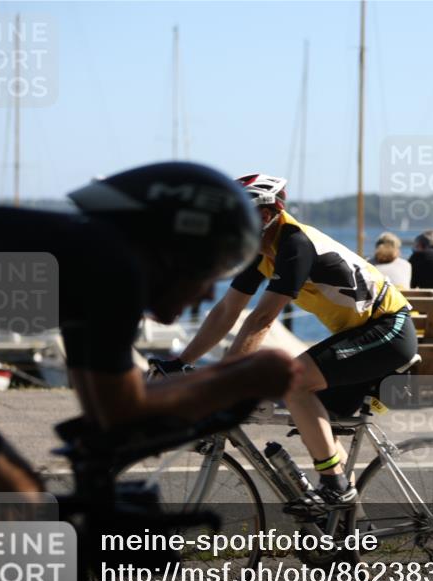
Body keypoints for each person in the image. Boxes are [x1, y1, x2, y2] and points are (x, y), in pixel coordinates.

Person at [0, 162, 299, 581]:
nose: (207, 293)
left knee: (5, 497)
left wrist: (222, 381)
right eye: (210, 270)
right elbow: (121, 410)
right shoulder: (108, 266)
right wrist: (238, 378)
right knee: (8, 496)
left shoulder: (86, 257)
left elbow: (105, 413)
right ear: (175, 250)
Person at [172, 173, 418, 515]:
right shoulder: (263, 253)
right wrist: (181, 360)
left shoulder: (295, 245)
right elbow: (228, 310)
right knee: (309, 419)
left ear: (264, 216)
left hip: (389, 331)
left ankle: (334, 487)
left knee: (294, 382)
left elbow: (261, 319)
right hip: (363, 335)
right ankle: (349, 533)